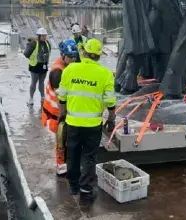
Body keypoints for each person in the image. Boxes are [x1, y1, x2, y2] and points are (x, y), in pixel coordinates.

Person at [57, 38, 116, 205]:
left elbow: (62, 95)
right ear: (99, 56)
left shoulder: (70, 69)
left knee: (72, 155)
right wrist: (111, 118)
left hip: (73, 123)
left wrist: (62, 115)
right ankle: (86, 192)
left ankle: (73, 187)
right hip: (92, 125)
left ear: (83, 52)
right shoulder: (105, 74)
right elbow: (110, 100)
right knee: (89, 157)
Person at [41, 39, 79, 176]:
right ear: (63, 55)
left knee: (64, 141)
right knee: (61, 141)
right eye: (70, 57)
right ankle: (61, 167)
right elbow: (60, 99)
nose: (73, 59)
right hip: (55, 114)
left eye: (75, 56)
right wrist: (65, 114)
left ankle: (65, 164)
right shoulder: (58, 72)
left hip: (58, 113)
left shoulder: (67, 67)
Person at [23, 27, 51, 106]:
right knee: (33, 83)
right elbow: (26, 54)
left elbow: (49, 52)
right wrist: (32, 58)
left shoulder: (47, 43)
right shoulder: (33, 43)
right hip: (35, 66)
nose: (44, 37)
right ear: (38, 36)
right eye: (42, 36)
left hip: (44, 65)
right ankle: (31, 98)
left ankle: (42, 97)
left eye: (45, 36)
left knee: (42, 83)